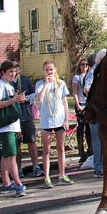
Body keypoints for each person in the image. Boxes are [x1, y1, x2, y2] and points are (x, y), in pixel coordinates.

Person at [36, 60, 73, 188]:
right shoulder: (40, 84)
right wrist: (46, 84)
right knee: (46, 150)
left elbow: (64, 102)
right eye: (46, 70)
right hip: (46, 121)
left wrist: (66, 120)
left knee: (60, 148)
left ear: (55, 70)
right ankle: (47, 177)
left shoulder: (60, 83)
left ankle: (62, 174)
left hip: (59, 119)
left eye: (51, 69)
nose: (49, 72)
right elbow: (39, 99)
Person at [0, 61, 27, 197]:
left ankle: (6, 182)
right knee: (12, 155)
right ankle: (18, 184)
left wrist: (17, 100)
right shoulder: (0, 86)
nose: (13, 75)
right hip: (5, 126)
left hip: (12, 125)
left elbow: (11, 105)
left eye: (14, 72)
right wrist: (14, 100)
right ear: (3, 73)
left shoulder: (9, 85)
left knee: (6, 155)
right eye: (10, 72)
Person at [13, 62, 42, 178]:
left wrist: (24, 99)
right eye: (12, 68)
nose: (15, 70)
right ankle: (18, 168)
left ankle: (36, 166)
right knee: (16, 144)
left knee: (31, 141)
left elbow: (34, 95)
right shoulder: (6, 82)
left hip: (26, 115)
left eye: (16, 67)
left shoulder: (25, 80)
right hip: (13, 118)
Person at [71, 58, 92, 164]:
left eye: (86, 64)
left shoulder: (89, 76)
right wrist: (77, 104)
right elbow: (74, 92)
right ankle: (81, 148)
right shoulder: (76, 77)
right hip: (80, 103)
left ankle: (90, 148)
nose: (84, 66)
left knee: (89, 125)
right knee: (80, 126)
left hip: (87, 104)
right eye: (82, 64)